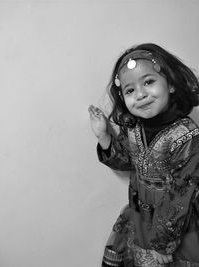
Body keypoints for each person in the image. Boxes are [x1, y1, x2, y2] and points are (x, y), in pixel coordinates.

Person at [88, 43, 199, 267]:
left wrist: (164, 243)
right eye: (130, 90)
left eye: (148, 82)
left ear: (171, 84)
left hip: (172, 227)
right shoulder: (134, 128)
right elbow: (127, 160)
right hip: (139, 219)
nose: (140, 94)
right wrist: (104, 137)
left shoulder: (186, 135)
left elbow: (181, 194)